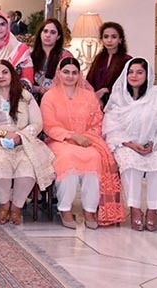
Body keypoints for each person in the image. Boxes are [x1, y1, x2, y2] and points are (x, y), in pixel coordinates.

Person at [42, 57, 126, 230]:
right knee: (68, 159)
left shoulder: (89, 96)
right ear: (59, 73)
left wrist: (85, 137)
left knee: (95, 158)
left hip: (86, 141)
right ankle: (65, 209)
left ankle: (89, 210)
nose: (70, 76)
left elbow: (97, 122)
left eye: (74, 73)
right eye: (66, 72)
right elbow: (49, 126)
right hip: (59, 141)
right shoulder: (49, 96)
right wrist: (72, 137)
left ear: (79, 75)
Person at [102, 58, 157, 231]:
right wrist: (131, 144)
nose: (134, 76)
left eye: (139, 72)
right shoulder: (119, 96)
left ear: (147, 75)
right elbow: (111, 125)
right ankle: (135, 209)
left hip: (156, 144)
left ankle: (153, 210)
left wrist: (153, 144)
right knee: (129, 164)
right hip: (126, 144)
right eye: (131, 72)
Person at [0, 60, 55, 225]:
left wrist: (20, 136)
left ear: (12, 74)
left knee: (27, 165)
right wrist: (3, 134)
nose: (1, 76)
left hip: (23, 140)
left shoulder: (26, 97)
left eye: (5, 72)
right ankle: (4, 204)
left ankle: (17, 207)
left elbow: (37, 123)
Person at [86, 22, 131, 108]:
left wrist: (106, 90)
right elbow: (89, 81)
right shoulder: (98, 58)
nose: (109, 40)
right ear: (102, 39)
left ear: (120, 39)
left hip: (117, 105)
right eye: (106, 37)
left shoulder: (127, 60)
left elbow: (128, 85)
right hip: (96, 103)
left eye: (114, 37)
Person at [30, 18, 73, 101]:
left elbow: (71, 81)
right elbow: (22, 82)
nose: (48, 35)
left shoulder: (65, 56)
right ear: (40, 33)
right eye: (45, 31)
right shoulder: (29, 55)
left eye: (52, 32)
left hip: (58, 100)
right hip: (32, 100)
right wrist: (38, 89)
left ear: (58, 37)